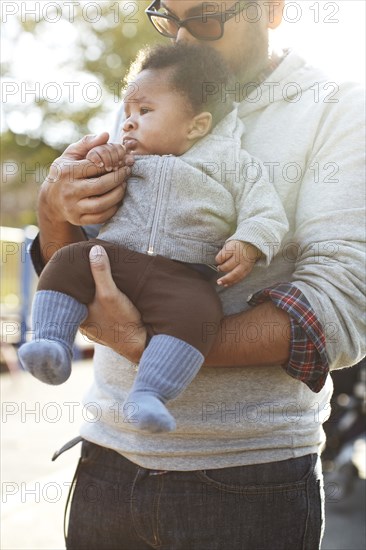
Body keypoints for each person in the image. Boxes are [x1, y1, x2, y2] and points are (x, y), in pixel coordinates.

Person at [29, 1, 365, 549]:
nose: (184, 39)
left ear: (272, 10)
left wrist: (151, 344)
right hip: (105, 461)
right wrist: (52, 209)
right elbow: (91, 253)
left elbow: (341, 309)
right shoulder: (155, 93)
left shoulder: (339, 109)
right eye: (168, 17)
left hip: (249, 481)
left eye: (206, 17)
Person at [18, 43, 289, 434]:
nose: (128, 123)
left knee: (201, 313)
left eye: (144, 112)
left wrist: (247, 243)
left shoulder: (232, 164)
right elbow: (85, 214)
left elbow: (266, 212)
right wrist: (84, 182)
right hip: (114, 259)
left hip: (181, 276)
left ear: (196, 125)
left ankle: (149, 394)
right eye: (127, 112)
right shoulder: (121, 160)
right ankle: (50, 343)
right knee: (67, 259)